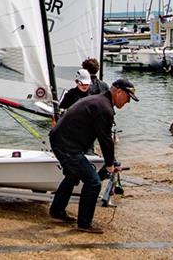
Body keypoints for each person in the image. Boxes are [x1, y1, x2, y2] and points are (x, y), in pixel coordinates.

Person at [49, 78, 138, 233]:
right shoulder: (104, 107)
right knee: (93, 182)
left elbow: (103, 137)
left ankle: (56, 211)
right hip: (66, 145)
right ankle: (84, 224)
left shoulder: (100, 102)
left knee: (72, 176)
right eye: (128, 97)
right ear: (118, 92)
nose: (128, 102)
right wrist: (110, 165)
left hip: (61, 140)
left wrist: (111, 162)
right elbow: (105, 140)